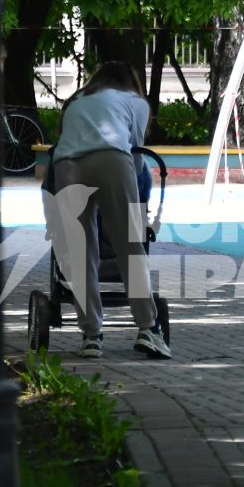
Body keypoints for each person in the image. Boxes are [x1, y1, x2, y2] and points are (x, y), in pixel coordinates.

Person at [51, 60, 171, 359]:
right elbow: (137, 157)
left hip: (66, 166)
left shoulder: (76, 100)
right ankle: (148, 328)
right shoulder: (135, 101)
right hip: (112, 161)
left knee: (80, 252)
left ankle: (91, 335)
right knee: (130, 245)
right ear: (131, 82)